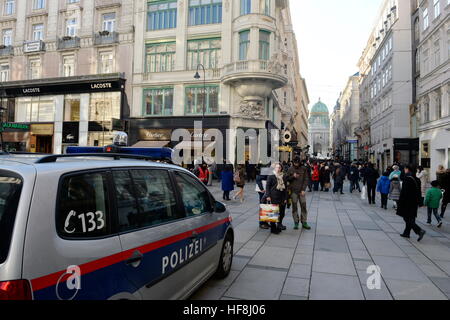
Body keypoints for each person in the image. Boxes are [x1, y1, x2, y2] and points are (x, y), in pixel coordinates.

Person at [397, 166, 426, 241]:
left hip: (407, 201)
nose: (404, 170)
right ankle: (406, 233)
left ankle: (419, 230)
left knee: (406, 217)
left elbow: (404, 192)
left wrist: (400, 202)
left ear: (407, 169)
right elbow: (418, 191)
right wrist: (420, 202)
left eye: (405, 169)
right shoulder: (416, 179)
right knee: (411, 217)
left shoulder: (407, 179)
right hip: (414, 201)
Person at [263, 163, 288, 234]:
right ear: (274, 168)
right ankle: (273, 229)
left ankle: (279, 225)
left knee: (282, 212)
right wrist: (268, 196)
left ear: (281, 169)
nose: (278, 169)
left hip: (282, 197)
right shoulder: (271, 176)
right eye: (277, 167)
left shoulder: (284, 176)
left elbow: (285, 188)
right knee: (273, 213)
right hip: (273, 196)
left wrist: (286, 197)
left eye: (279, 167)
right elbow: (267, 187)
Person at [287, 158, 310, 230]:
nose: (296, 164)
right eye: (295, 162)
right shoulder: (290, 169)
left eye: (297, 162)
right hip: (293, 191)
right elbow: (287, 179)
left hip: (301, 191)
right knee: (294, 207)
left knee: (303, 206)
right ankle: (296, 222)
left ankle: (304, 222)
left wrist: (303, 189)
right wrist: (292, 176)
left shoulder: (304, 169)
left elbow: (306, 179)